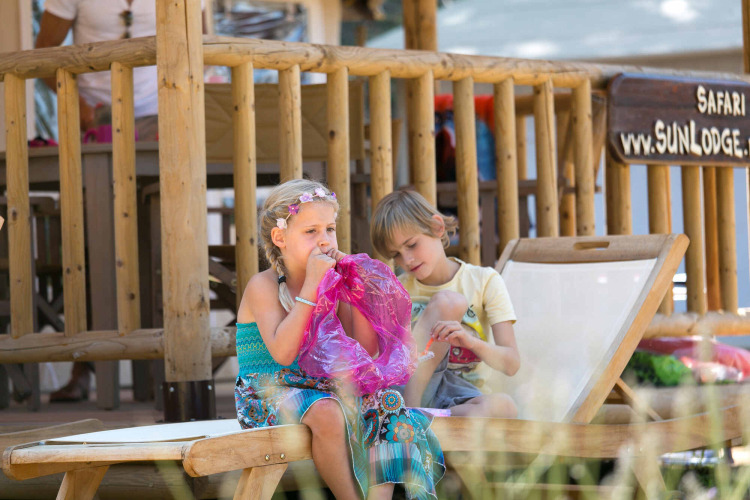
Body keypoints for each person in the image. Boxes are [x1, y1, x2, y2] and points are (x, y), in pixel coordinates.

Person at [235, 179, 444, 499]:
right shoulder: (263, 287)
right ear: (280, 238)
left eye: (329, 229)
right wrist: (311, 287)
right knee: (327, 411)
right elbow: (283, 352)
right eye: (311, 231)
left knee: (387, 402)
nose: (324, 241)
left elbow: (366, 351)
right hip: (266, 391)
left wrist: (356, 290)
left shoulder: (335, 287)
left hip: (322, 389)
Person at [35, 0, 160, 402]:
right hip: (94, 121)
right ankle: (84, 367)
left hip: (163, 116)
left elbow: (202, 43)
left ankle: (164, 367)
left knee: (156, 242)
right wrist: (78, 104)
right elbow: (41, 57)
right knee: (92, 244)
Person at [370, 189, 520, 418]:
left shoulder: (484, 281)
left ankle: (422, 420)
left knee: (505, 407)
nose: (407, 260)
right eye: (396, 255)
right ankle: (407, 412)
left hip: (460, 394)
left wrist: (470, 341)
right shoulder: (395, 290)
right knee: (449, 303)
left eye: (411, 245)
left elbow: (511, 364)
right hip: (409, 389)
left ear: (437, 227)